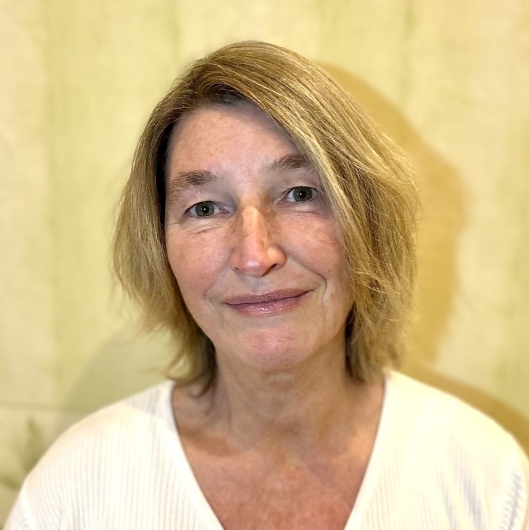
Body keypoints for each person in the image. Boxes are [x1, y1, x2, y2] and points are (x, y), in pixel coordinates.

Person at [6, 41, 528, 529]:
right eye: (205, 208)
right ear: (160, 247)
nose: (255, 256)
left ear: (366, 224)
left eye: (299, 194)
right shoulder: (75, 490)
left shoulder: (485, 478)